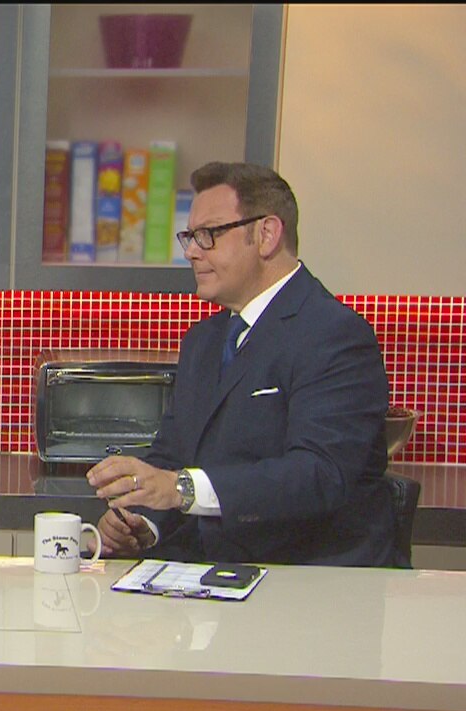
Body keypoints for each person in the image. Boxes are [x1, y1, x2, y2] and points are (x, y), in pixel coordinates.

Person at [86, 162, 397, 566]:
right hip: (209, 575)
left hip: (308, 580)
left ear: (266, 234)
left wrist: (180, 488)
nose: (191, 251)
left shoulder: (334, 334)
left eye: (209, 234)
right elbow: (172, 455)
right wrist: (142, 524)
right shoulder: (203, 341)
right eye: (189, 236)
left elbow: (320, 473)